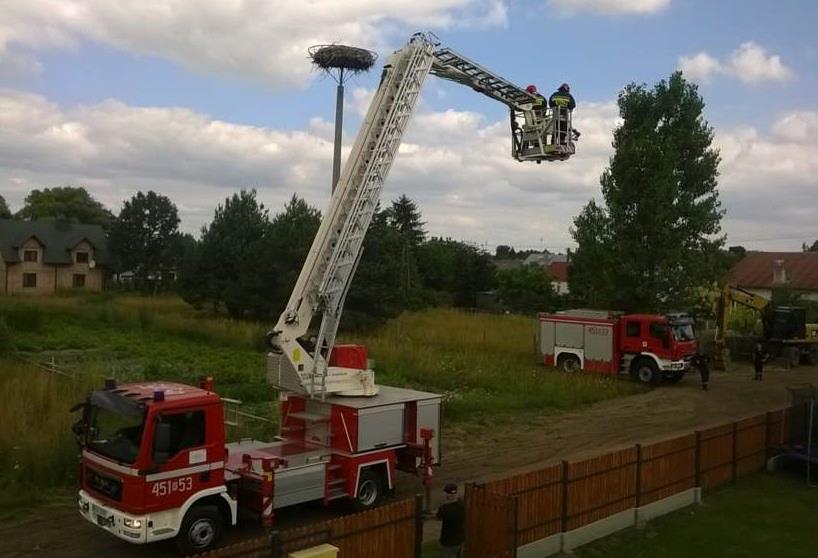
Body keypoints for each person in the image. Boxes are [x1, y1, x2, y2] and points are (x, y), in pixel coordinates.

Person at [436, 483, 465, 558]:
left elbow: (438, 517)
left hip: (447, 542)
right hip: (459, 540)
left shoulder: (444, 509)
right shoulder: (462, 506)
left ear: (447, 494)